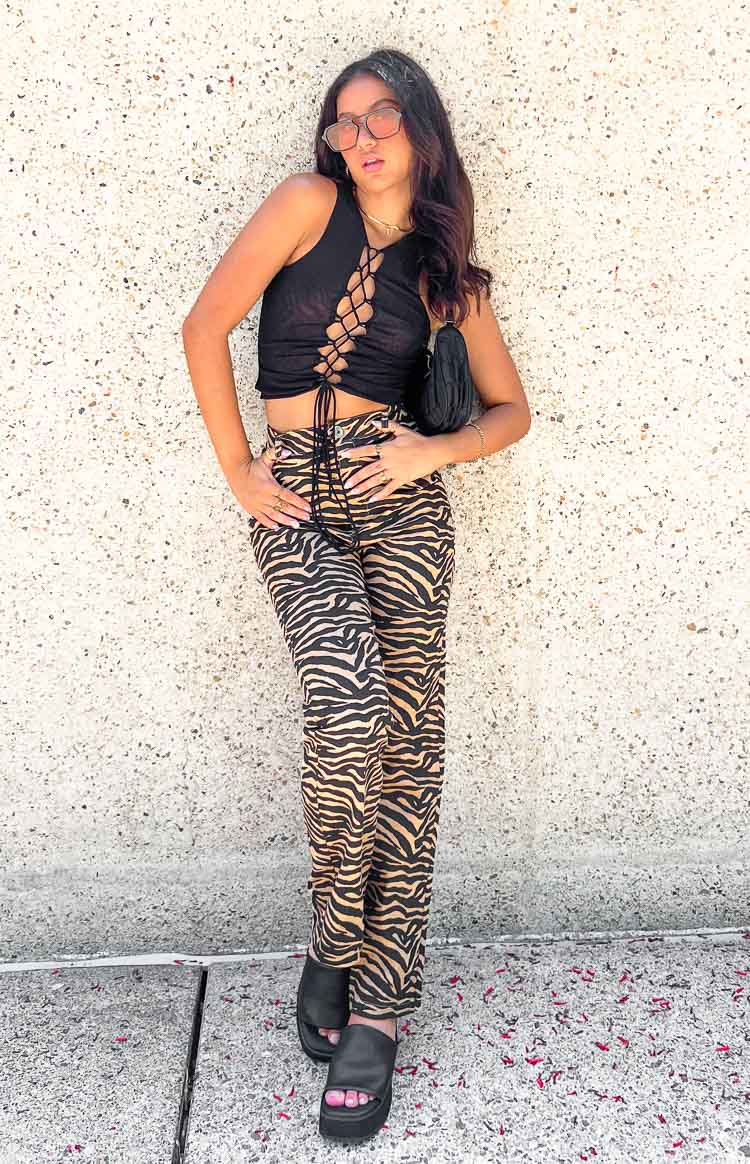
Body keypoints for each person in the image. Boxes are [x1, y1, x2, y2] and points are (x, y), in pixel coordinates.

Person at [182, 46, 531, 1142]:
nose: (362, 136)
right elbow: (203, 327)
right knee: (348, 709)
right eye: (345, 120)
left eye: (383, 115)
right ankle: (336, 937)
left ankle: (380, 1003)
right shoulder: (306, 204)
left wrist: (435, 453)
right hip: (295, 495)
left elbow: (511, 411)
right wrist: (241, 470)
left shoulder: (447, 271)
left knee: (410, 745)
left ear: (422, 128)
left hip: (402, 505)